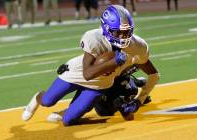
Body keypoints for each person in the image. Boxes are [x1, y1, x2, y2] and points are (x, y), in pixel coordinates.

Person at [22, 5, 159, 126]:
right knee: (47, 100)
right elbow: (87, 74)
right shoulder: (94, 38)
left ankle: (69, 112)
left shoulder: (138, 46)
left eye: (127, 32)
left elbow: (153, 75)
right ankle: (37, 97)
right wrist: (113, 62)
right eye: (118, 32)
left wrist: (139, 101)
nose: (123, 37)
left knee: (68, 121)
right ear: (106, 28)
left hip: (101, 84)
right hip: (78, 73)